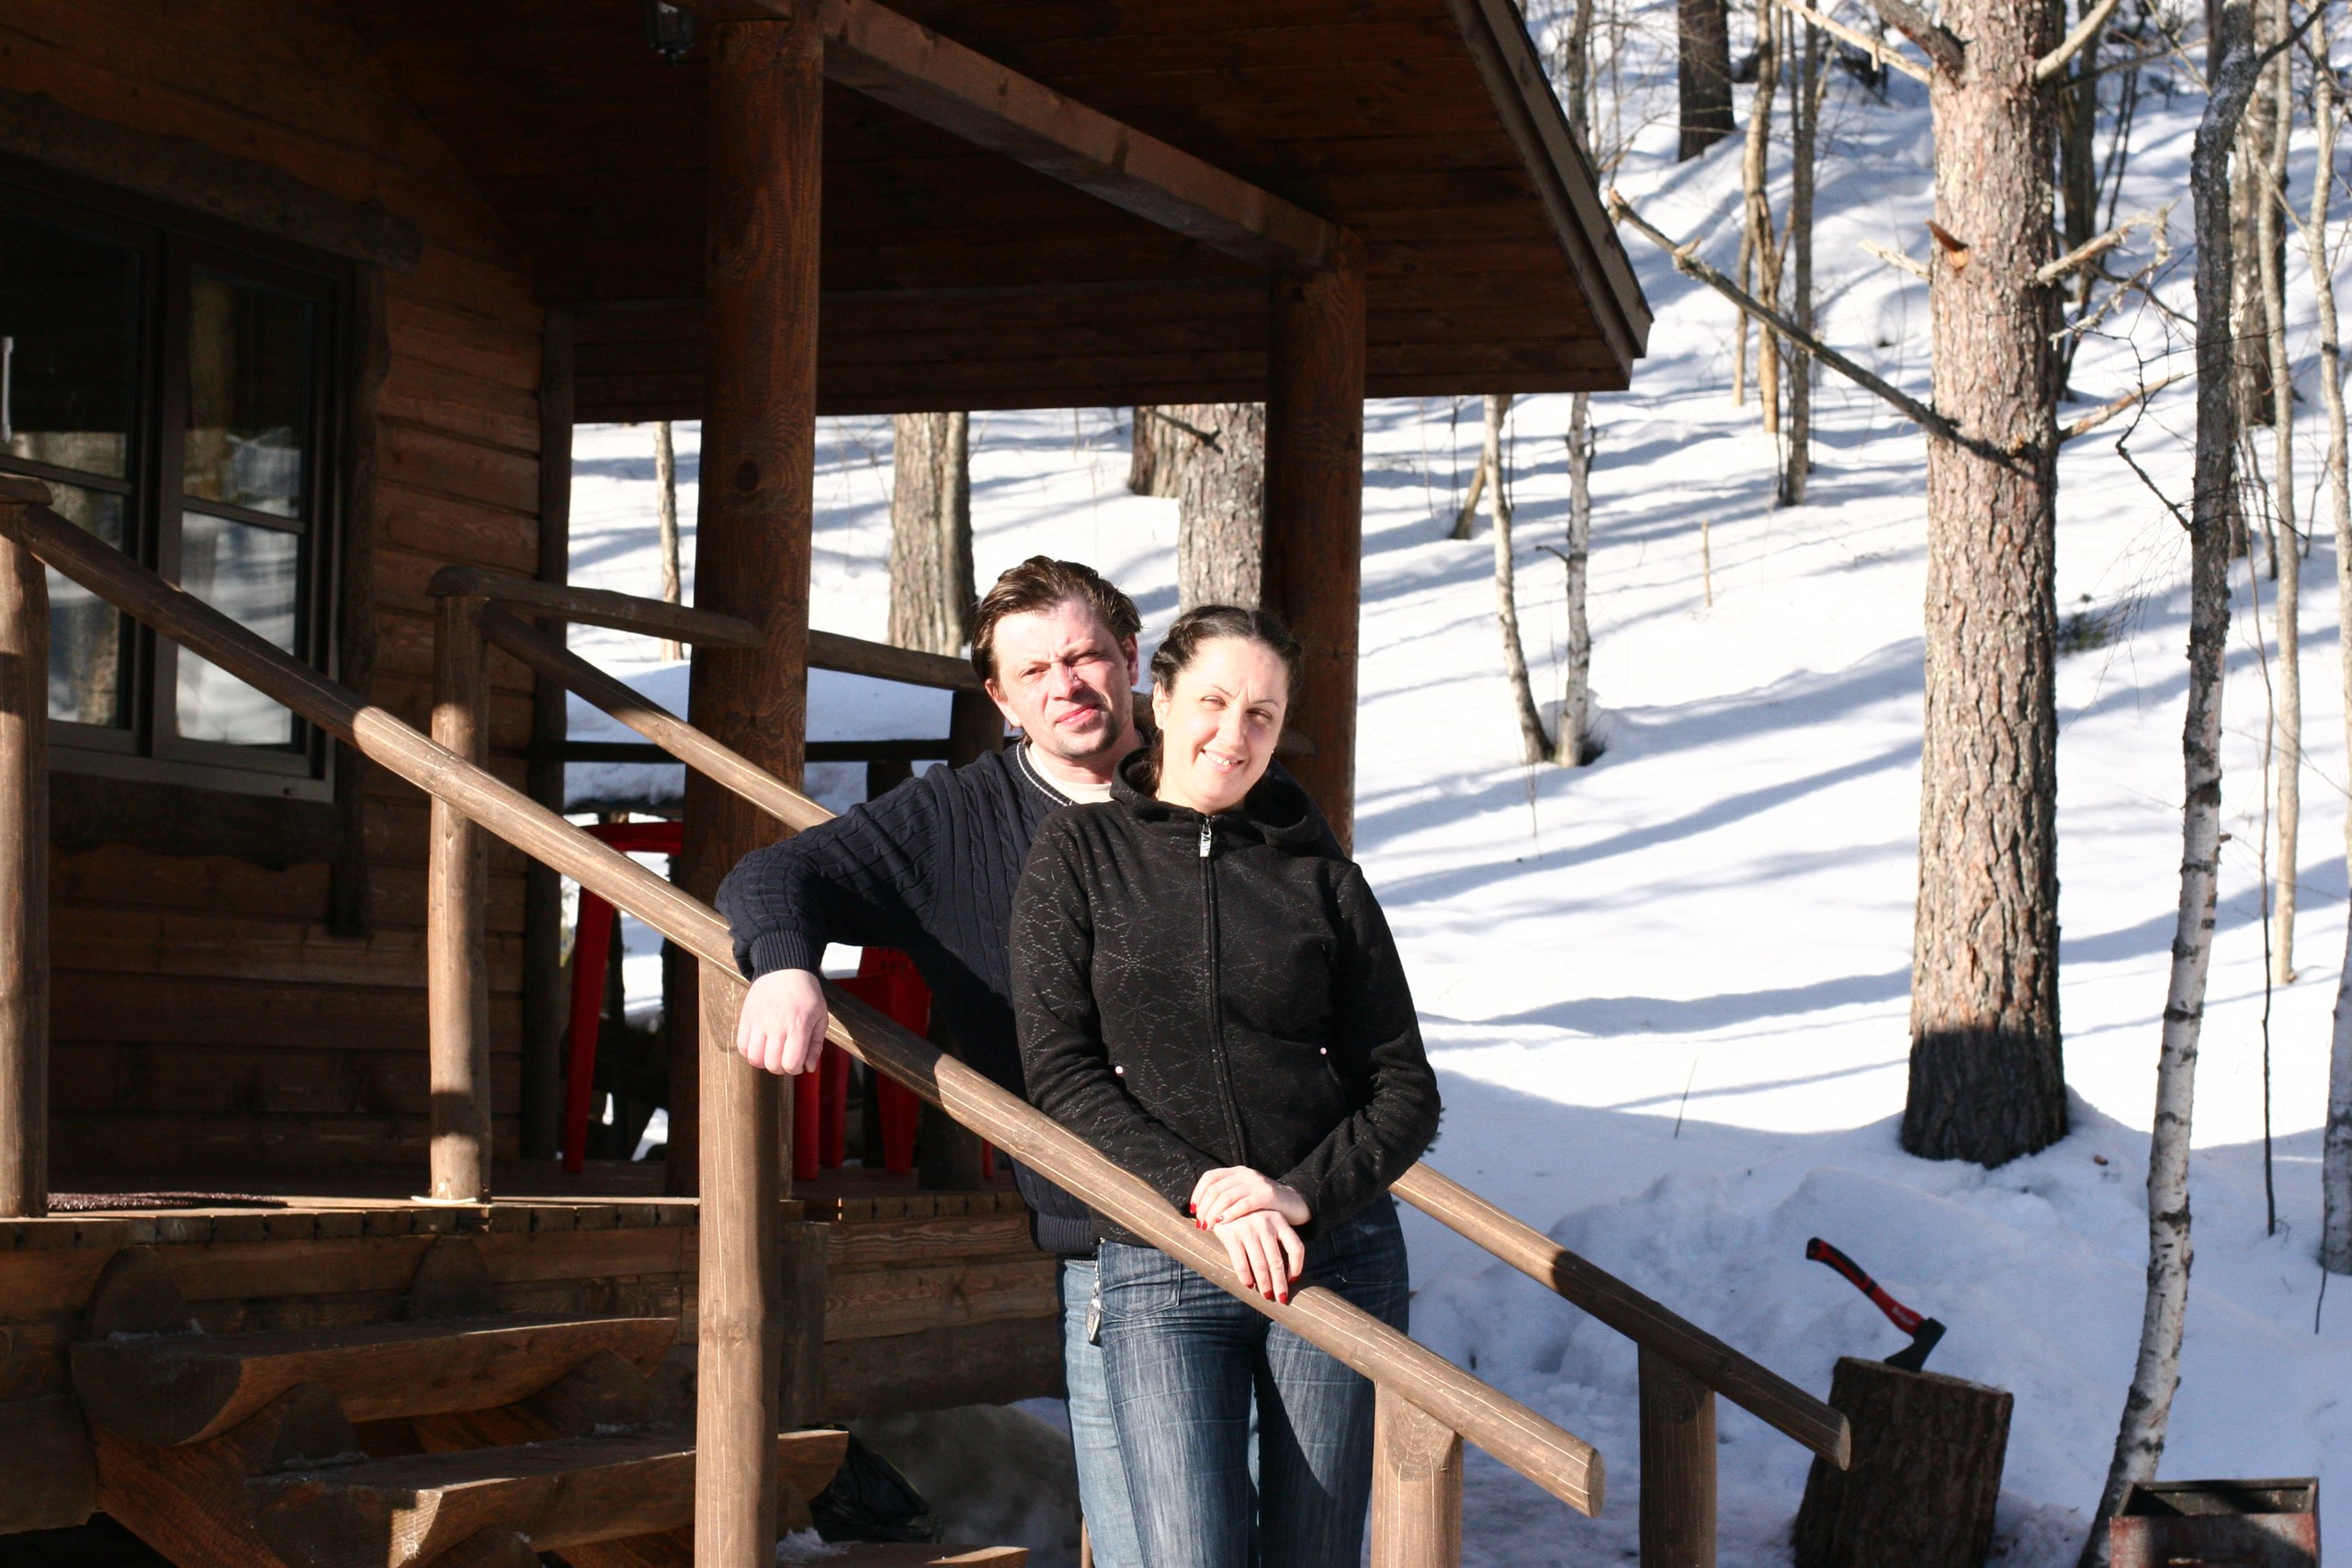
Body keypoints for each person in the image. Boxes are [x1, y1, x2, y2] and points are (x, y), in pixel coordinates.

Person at [720, 556, 1233, 1568]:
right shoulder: (955, 822)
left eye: (1085, 656)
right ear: (1000, 698)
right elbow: (775, 874)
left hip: (1274, 1221)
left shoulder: (1223, 783)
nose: (1067, 685)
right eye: (1034, 671)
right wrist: (783, 967)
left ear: (1132, 658)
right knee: (1152, 1544)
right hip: (1115, 1240)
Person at [1011, 605, 1442, 1568]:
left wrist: (1297, 1195)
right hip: (1163, 1252)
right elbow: (1059, 1070)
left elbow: (1404, 1087)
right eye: (1212, 701)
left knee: (1310, 1555)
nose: (1233, 734)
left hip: (1329, 1251)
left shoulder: (1324, 880)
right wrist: (1201, 1186)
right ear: (1160, 700)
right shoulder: (1078, 856)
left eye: (1261, 714)